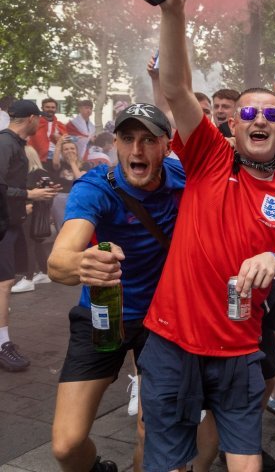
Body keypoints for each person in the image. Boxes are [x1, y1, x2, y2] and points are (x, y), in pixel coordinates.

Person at [138, 0, 275, 472]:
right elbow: (174, 88)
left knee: (246, 465)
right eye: (249, 113)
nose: (260, 120)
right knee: (165, 461)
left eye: (272, 116)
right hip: (172, 340)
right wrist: (174, 14)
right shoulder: (210, 157)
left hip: (239, 351)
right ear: (233, 125)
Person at [48, 103, 180, 472]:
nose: (136, 150)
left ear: (166, 147)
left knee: (150, 432)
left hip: (161, 321)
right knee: (66, 444)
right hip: (103, 314)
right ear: (116, 144)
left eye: (148, 140)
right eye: (127, 138)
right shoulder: (95, 188)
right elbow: (58, 262)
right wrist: (81, 263)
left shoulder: (181, 176)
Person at [0, 100, 58, 372]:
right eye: (40, 118)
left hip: (9, 223)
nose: (42, 123)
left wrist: (27, 198)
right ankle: (2, 344)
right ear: (32, 118)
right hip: (3, 226)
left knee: (5, 282)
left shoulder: (15, 144)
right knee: (3, 283)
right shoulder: (6, 143)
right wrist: (29, 195)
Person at [9, 146, 54, 294]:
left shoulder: (34, 173)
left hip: (31, 214)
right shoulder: (37, 173)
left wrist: (31, 206)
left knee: (29, 244)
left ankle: (28, 279)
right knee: (37, 244)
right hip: (34, 214)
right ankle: (44, 272)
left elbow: (47, 195)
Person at [28, 97, 67, 167]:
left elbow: (68, 143)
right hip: (37, 159)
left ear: (56, 109)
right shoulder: (34, 123)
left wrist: (60, 139)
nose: (50, 109)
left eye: (53, 107)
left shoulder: (61, 125)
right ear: (42, 108)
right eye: (47, 107)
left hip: (57, 159)